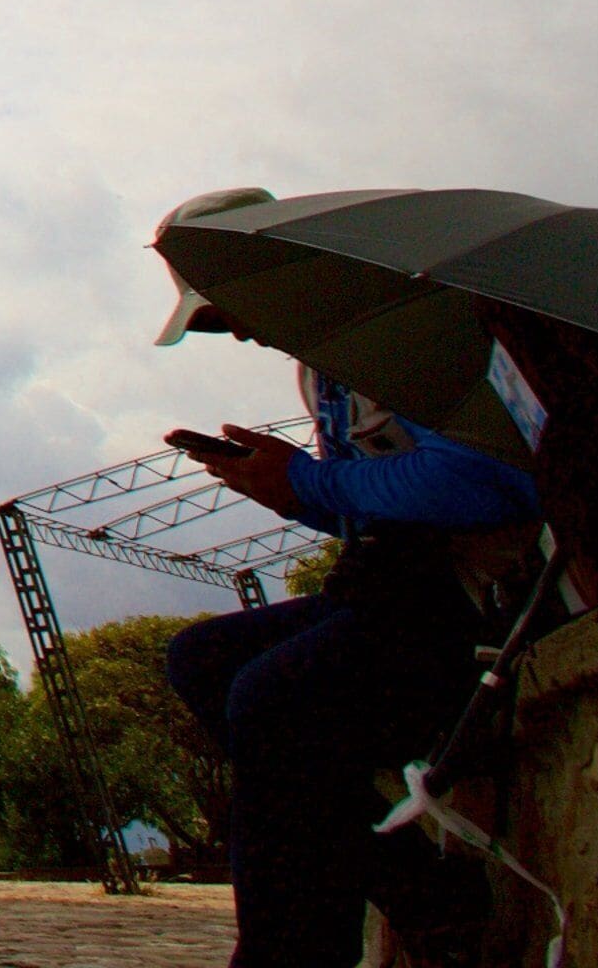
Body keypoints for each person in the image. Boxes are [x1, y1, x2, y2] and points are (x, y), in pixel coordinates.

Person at [152, 189, 540, 968]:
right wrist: (291, 494)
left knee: (274, 699)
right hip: (388, 584)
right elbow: (374, 508)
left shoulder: (404, 336)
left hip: (475, 601)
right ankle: (409, 881)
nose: (241, 334)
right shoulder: (320, 372)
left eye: (230, 314)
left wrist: (313, 486)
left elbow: (491, 483)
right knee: (201, 660)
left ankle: (287, 953)